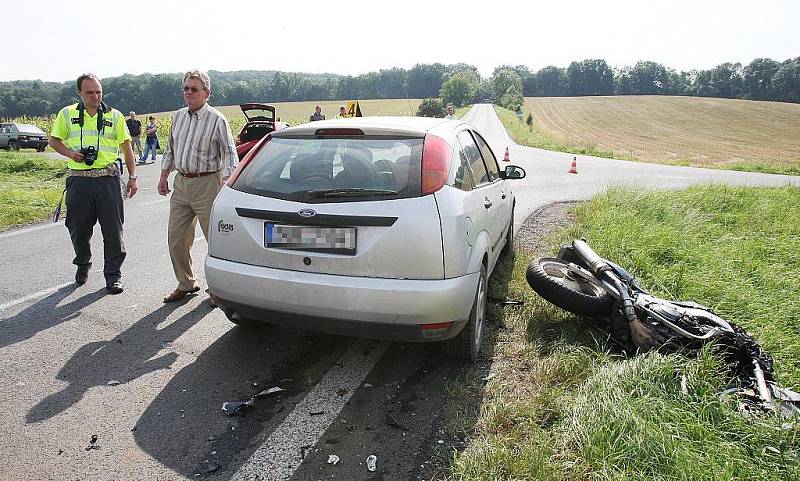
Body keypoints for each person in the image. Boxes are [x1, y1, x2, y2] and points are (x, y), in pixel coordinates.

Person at [48, 73, 138, 294]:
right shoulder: (67, 114)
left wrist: (133, 178)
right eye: (90, 92)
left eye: (98, 92)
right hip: (79, 181)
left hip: (108, 179)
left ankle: (113, 276)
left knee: (113, 232)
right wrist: (71, 153)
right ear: (79, 93)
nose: (95, 96)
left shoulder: (114, 116)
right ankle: (82, 263)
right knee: (78, 229)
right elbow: (53, 140)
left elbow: (127, 148)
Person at [158, 70, 238, 305]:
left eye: (194, 89)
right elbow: (170, 149)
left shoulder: (217, 119)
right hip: (182, 183)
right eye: (186, 88)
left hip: (207, 183)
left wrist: (226, 182)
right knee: (176, 238)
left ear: (206, 92)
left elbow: (229, 153)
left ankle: (218, 288)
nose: (189, 93)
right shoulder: (178, 117)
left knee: (216, 240)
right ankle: (186, 283)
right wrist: (164, 175)